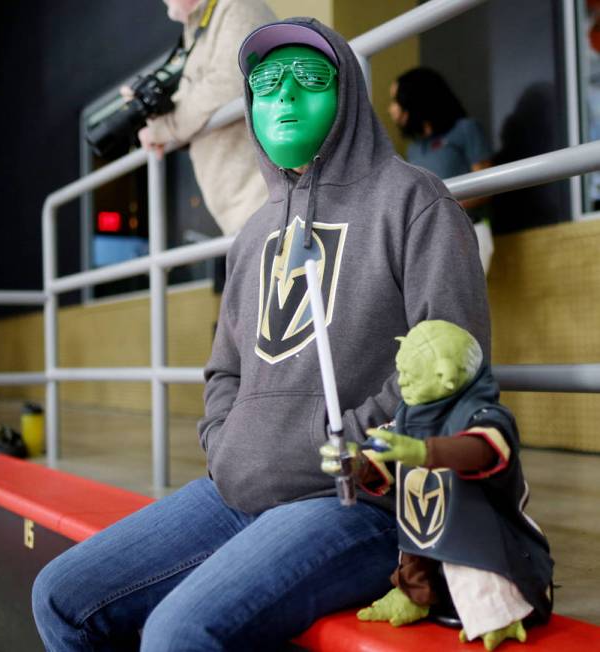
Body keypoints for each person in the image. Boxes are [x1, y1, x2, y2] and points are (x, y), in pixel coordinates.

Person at [32, 18, 489, 651]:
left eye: (309, 79)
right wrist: (229, 444)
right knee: (61, 595)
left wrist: (344, 448)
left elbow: (452, 369)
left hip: (356, 501)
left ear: (348, 91)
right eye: (267, 85)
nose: (285, 98)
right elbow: (224, 371)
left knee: (178, 634)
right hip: (234, 490)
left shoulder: (416, 203)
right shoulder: (253, 234)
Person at [321, 320, 553, 651]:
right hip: (423, 523)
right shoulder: (408, 414)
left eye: (410, 376)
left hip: (478, 529)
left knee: (479, 573)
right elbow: (382, 457)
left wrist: (421, 451)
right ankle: (414, 596)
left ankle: (502, 613)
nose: (401, 383)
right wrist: (355, 463)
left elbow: (484, 449)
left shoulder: (484, 413)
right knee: (414, 554)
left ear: (445, 377)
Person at [130, 0, 275, 236]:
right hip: (244, 211)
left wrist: (164, 128)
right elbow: (199, 101)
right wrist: (163, 131)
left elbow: (227, 82)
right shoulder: (198, 26)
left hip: (264, 199)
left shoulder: (235, 6)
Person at [388, 67, 495, 274]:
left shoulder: (465, 129)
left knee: (460, 304)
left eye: (396, 100)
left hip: (467, 231)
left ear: (415, 99)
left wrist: (440, 205)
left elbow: (486, 187)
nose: (390, 109)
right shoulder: (414, 148)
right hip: (426, 239)